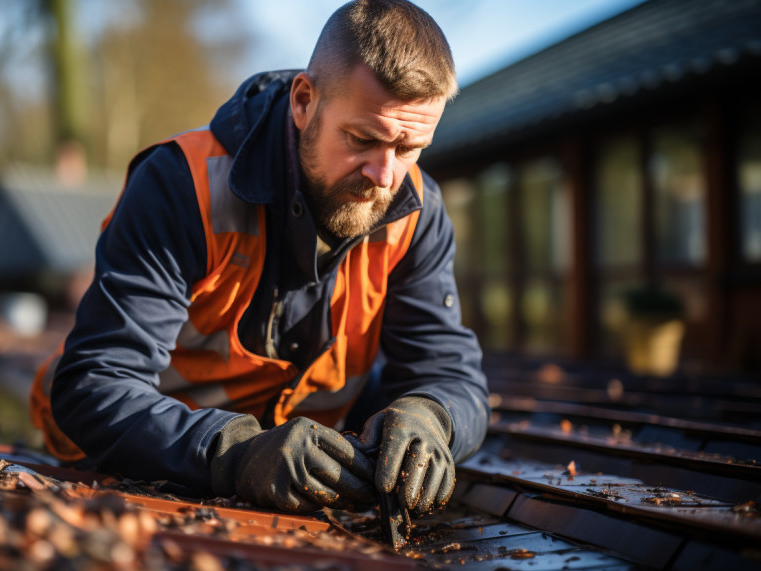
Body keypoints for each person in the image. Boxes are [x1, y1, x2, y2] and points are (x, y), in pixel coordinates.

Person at [30, 0, 488, 517]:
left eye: (410, 148)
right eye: (363, 139)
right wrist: (235, 452)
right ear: (304, 102)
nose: (385, 177)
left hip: (291, 494)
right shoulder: (181, 184)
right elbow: (94, 385)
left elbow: (452, 375)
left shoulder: (418, 211)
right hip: (115, 474)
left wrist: (434, 416)